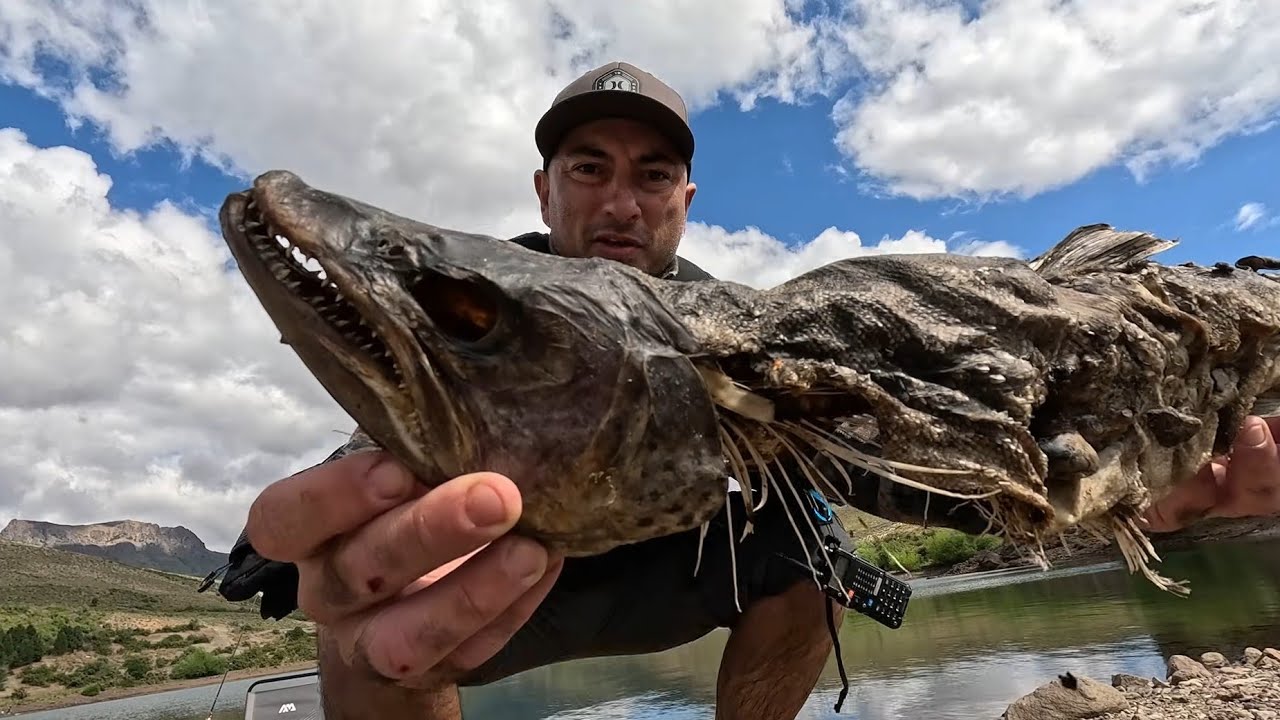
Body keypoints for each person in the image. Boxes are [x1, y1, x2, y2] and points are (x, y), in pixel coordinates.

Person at [214, 61, 1280, 720]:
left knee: (818, 561)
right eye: (589, 168)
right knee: (368, 626)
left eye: (648, 175)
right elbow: (350, 520)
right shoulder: (473, 312)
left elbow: (916, 468)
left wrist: (1124, 494)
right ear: (544, 189)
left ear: (684, 198)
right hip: (510, 588)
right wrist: (342, 566)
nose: (619, 200)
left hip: (689, 568)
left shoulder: (750, 334)